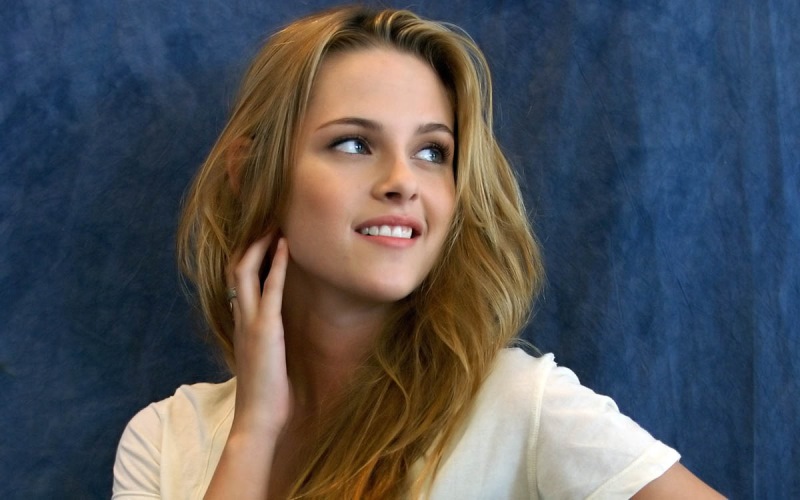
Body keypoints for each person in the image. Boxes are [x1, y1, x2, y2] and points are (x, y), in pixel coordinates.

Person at [112, 6, 724, 499]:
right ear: (250, 174)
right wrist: (254, 431)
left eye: (432, 152)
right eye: (354, 143)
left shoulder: (519, 406)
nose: (403, 182)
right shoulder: (165, 438)